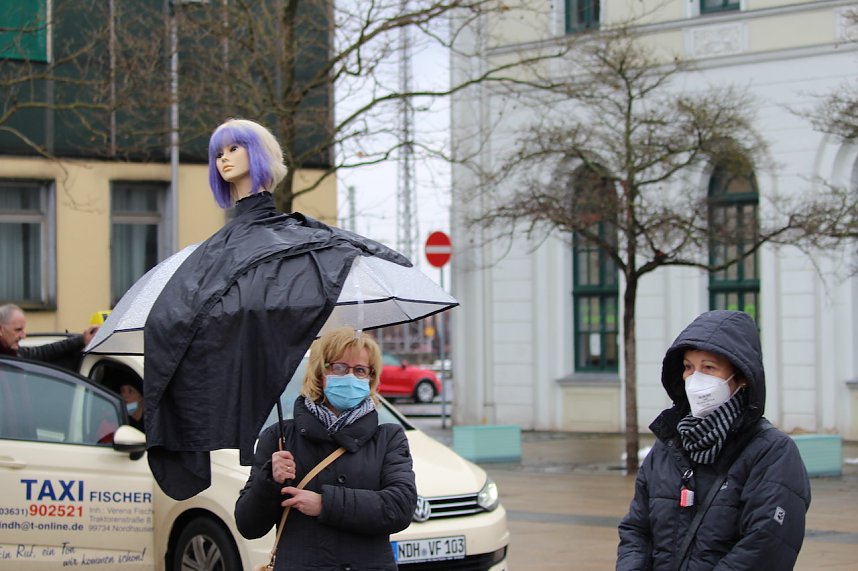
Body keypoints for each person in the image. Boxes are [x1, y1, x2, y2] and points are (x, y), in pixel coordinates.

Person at [616, 310, 811, 570]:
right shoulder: (669, 444)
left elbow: (765, 546)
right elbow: (636, 531)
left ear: (741, 378)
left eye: (709, 368)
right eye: (688, 367)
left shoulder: (772, 452)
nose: (695, 379)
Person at [234, 327, 417, 570]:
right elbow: (248, 526)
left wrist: (326, 504)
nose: (350, 376)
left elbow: (400, 507)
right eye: (340, 367)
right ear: (321, 372)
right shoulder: (279, 438)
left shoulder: (389, 438)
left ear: (371, 378)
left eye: (360, 370)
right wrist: (270, 480)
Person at [0, 303, 99, 368]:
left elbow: (45, 352)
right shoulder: (9, 357)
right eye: (18, 330)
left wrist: (81, 340)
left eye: (23, 330)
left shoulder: (15, 353)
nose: (23, 336)